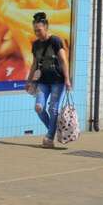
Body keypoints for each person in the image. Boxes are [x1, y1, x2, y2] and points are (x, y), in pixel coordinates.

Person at [26, 12, 71, 148]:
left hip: (57, 80)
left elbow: (63, 60)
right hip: (43, 81)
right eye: (35, 31)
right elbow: (34, 64)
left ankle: (49, 138)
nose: (37, 33)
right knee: (39, 107)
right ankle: (54, 131)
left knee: (53, 109)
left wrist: (67, 80)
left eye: (39, 30)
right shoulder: (35, 44)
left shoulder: (56, 41)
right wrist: (29, 81)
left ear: (46, 27)